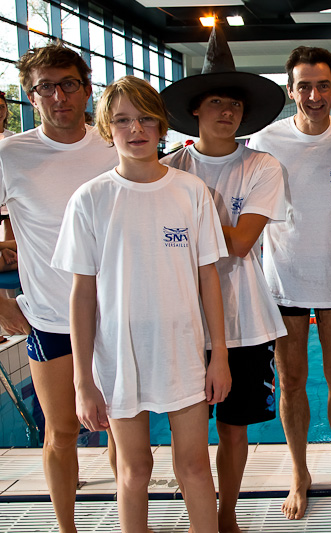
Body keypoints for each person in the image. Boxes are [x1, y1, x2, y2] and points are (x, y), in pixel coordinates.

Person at [51, 75, 230, 533]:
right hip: (119, 357)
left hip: (183, 352)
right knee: (134, 471)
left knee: (194, 467)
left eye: (146, 119)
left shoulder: (191, 192)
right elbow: (82, 294)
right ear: (106, 128)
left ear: (162, 125)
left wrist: (220, 356)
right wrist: (83, 380)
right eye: (122, 120)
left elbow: (209, 279)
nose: (136, 129)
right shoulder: (90, 199)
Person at [160, 25, 288, 533]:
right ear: (196, 109)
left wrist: (190, 217)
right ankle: (199, 514)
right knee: (186, 433)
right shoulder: (168, 167)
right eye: (216, 101)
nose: (226, 111)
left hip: (244, 320)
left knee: (235, 430)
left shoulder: (262, 166)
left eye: (234, 103)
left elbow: (240, 243)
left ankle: (227, 513)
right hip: (182, 320)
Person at [247, 46, 331, 521]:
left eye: (322, 86)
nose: (314, 96)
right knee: (292, 381)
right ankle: (299, 473)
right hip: (284, 282)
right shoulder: (265, 141)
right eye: (304, 86)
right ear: (290, 90)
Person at [0, 43, 119, 533]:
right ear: (31, 97)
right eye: (44, 87)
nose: (58, 96)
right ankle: (67, 528)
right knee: (62, 429)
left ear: (87, 90)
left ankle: (131, 518)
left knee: (123, 427)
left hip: (116, 314)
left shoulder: (114, 145)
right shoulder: (11, 155)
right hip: (51, 315)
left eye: (68, 84)